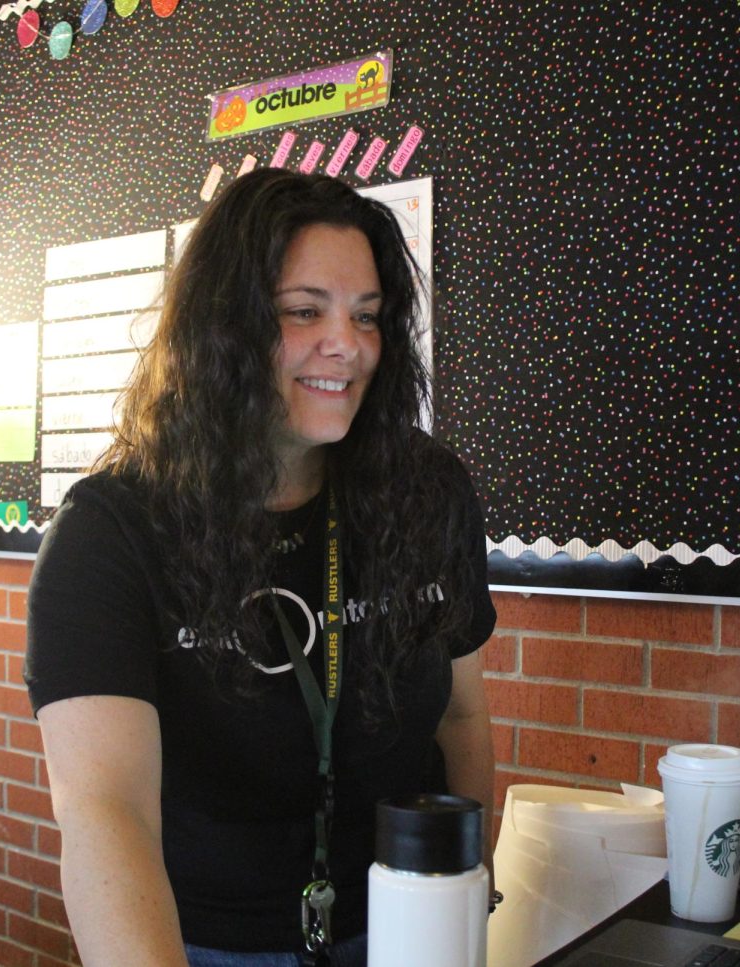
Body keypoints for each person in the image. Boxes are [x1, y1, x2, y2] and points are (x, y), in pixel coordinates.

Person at [24, 169, 498, 967]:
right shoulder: (110, 532)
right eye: (304, 311)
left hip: (408, 922)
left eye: (368, 317)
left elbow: (463, 719)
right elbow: (107, 813)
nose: (346, 345)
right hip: (203, 943)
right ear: (225, 328)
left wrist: (467, 898)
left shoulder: (430, 492)